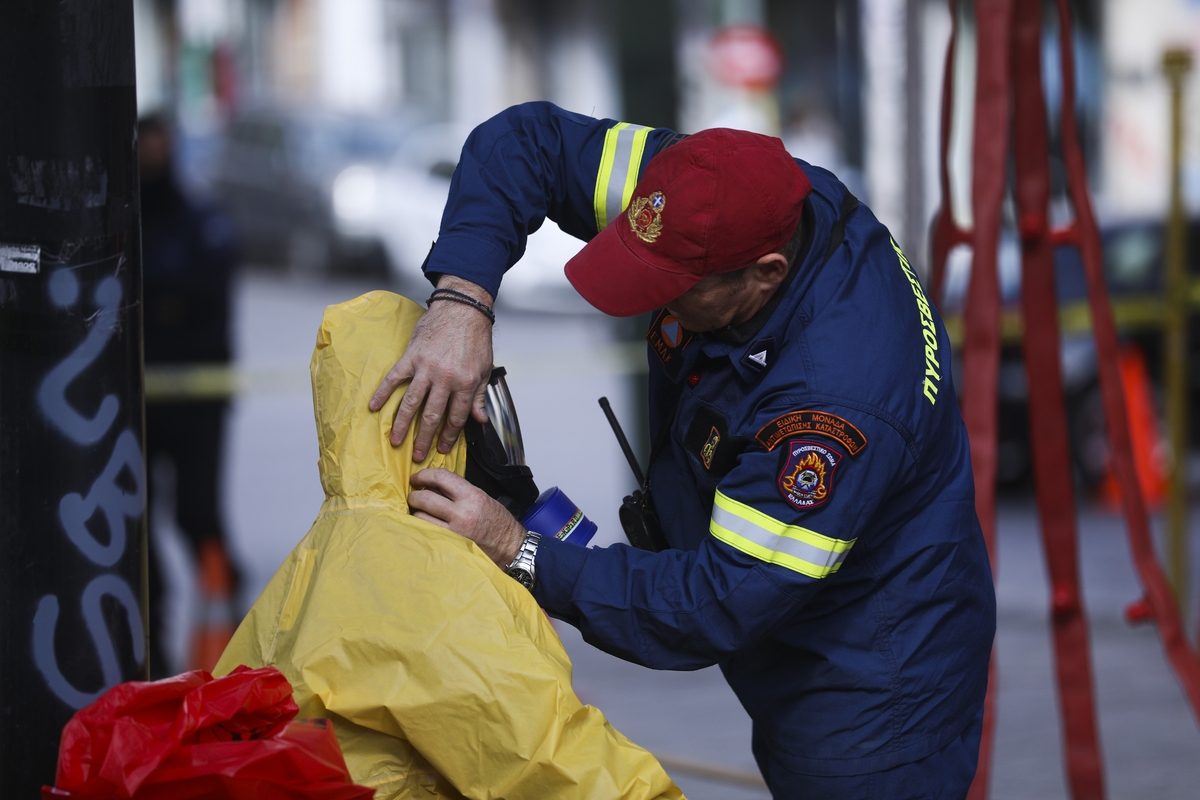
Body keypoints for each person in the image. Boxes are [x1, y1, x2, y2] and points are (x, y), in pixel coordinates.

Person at [374, 102, 996, 798]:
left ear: (764, 274)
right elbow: (525, 141)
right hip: (794, 615)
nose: (654, 300)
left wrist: (520, 550)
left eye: (675, 289)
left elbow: (715, 602)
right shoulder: (716, 197)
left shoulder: (830, 406)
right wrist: (463, 300)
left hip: (874, 685)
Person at [215, 290, 684, 800]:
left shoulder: (317, 556)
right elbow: (554, 762)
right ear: (428, 415)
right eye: (475, 405)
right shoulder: (420, 576)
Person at [138, 112, 242, 676]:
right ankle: (151, 644)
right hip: (140, 404)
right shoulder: (127, 218)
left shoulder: (197, 220)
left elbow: (209, 297)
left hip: (198, 403)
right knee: (137, 525)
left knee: (198, 515)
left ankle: (228, 632)